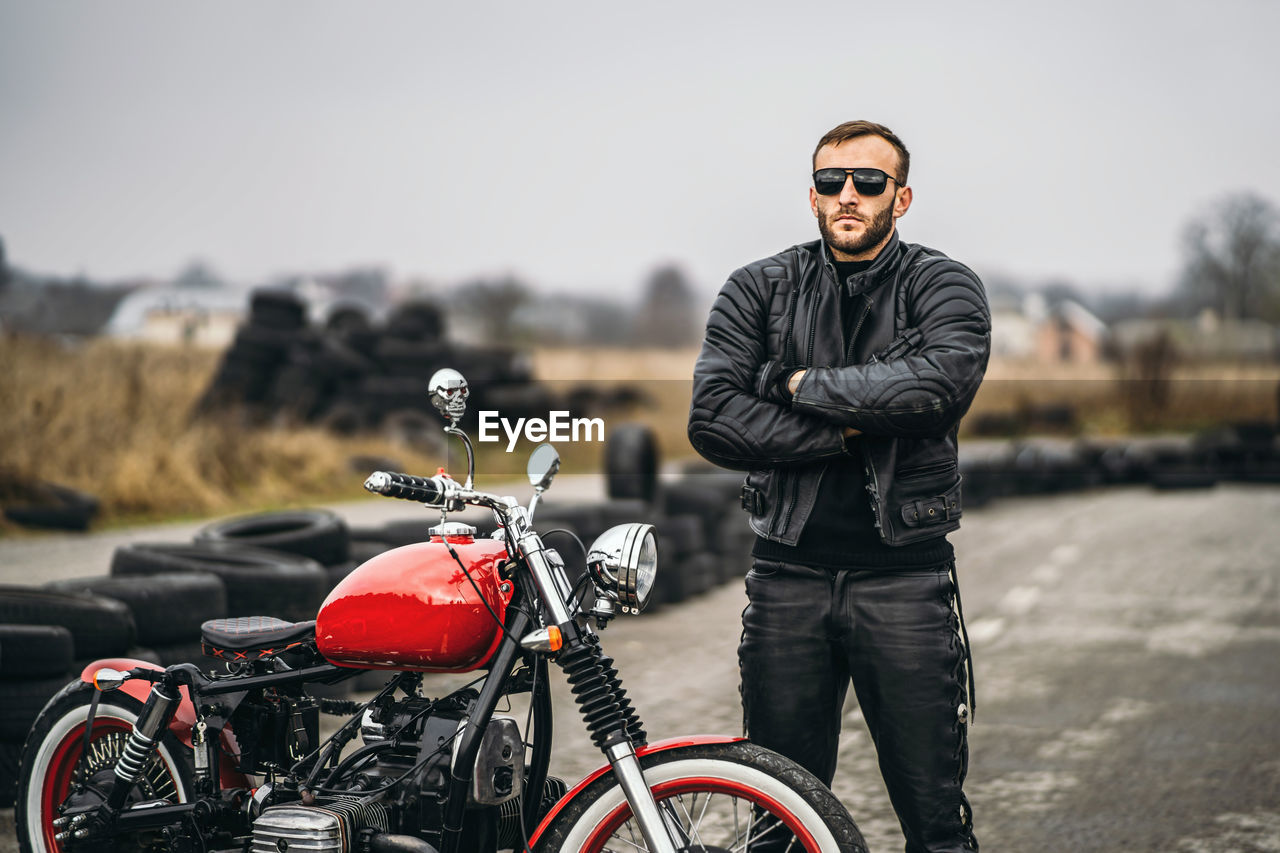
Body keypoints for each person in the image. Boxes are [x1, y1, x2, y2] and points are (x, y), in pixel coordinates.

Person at [687, 120, 990, 853]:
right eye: (830, 181)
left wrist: (788, 383)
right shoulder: (758, 288)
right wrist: (848, 429)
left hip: (905, 582)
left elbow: (934, 388)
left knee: (936, 823)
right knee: (777, 819)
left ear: (902, 197)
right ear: (813, 195)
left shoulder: (943, 285)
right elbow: (714, 419)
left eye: (868, 181)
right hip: (786, 579)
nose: (847, 194)